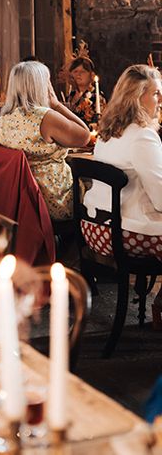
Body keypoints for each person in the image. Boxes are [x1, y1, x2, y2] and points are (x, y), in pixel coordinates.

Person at [82, 64, 162, 326]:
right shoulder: (143, 137)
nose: (160, 100)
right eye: (156, 94)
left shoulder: (107, 133)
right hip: (128, 234)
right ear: (138, 97)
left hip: (96, 229)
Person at [0, 61, 91, 221]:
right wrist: (56, 104)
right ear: (40, 86)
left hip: (21, 197)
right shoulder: (44, 117)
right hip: (53, 198)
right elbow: (84, 136)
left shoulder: (3, 120)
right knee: (99, 188)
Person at [67, 56, 105, 127]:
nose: (78, 74)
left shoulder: (97, 97)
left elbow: (101, 121)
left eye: (83, 71)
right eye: (75, 71)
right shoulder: (70, 96)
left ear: (92, 75)